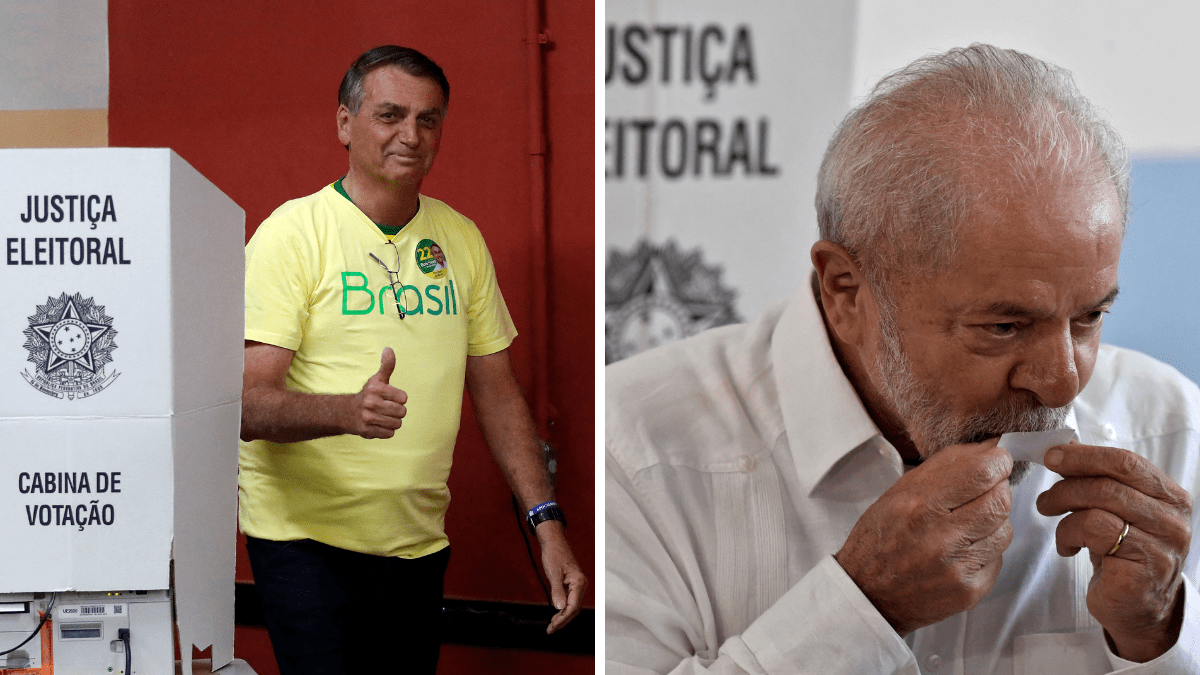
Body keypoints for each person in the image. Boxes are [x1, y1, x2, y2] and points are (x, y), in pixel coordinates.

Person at [606, 44, 1200, 674]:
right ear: (846, 289)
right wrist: (864, 606)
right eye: (1003, 326)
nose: (1061, 384)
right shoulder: (637, 454)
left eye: (1090, 317)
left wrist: (1157, 637)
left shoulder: (1169, 429)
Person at [240, 45, 586, 675]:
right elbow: (245, 405)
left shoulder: (459, 239)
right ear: (345, 124)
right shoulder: (293, 234)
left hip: (416, 541)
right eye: (390, 115)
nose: (411, 135)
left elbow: (499, 393)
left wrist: (547, 523)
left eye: (428, 120)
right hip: (304, 541)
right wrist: (348, 411)